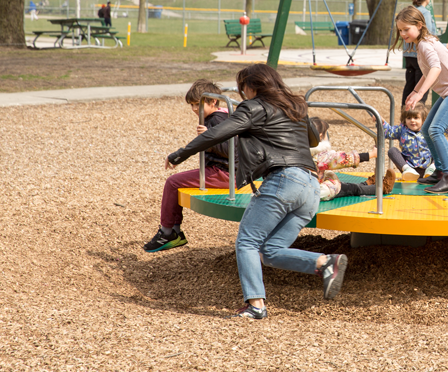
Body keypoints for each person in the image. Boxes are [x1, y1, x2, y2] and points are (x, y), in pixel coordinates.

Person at [165, 64, 348, 319]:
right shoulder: (295, 106)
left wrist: (179, 154)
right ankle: (324, 263)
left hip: (284, 180)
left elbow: (219, 132)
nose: (242, 94)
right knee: (270, 251)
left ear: (253, 86)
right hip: (310, 187)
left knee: (247, 242)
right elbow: (313, 141)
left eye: (243, 88)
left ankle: (256, 305)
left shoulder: (254, 107)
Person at [144, 80, 233, 252]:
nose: (194, 109)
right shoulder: (225, 116)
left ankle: (167, 232)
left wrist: (209, 138)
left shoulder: (217, 121)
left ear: (213, 101)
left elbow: (232, 151)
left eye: (197, 105)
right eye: (191, 105)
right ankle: (173, 231)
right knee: (176, 183)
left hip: (225, 174)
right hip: (225, 171)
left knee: (172, 182)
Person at [396, 6, 448, 194]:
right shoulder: (423, 43)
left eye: (406, 29)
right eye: (400, 30)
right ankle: (439, 172)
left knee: (436, 130)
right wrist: (414, 91)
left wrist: (420, 93)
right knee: (426, 129)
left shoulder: (424, 44)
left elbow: (436, 68)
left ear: (420, 25)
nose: (403, 33)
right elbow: (427, 71)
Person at [309, 118, 393, 200]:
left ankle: (367, 183)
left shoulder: (303, 150)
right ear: (320, 136)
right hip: (317, 191)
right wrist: (371, 154)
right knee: (350, 188)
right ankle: (382, 188)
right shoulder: (320, 155)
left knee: (335, 179)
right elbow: (345, 159)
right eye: (326, 134)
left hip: (308, 186)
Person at [403, 0, 439, 105]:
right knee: (420, 88)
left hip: (408, 53)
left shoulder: (409, 12)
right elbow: (427, 34)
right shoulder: (424, 14)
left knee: (410, 86)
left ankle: (405, 115)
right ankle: (417, 114)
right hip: (420, 53)